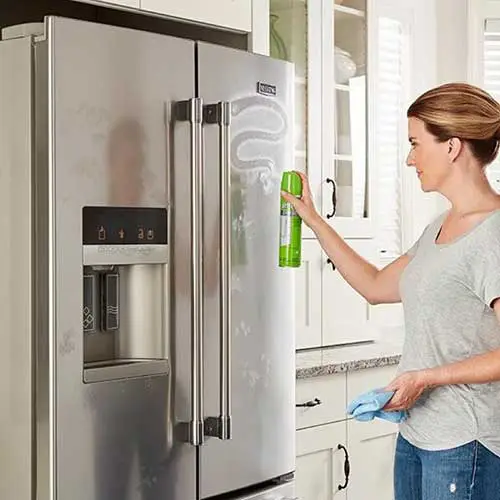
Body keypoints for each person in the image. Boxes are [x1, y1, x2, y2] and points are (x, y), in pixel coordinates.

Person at [281, 82, 500, 500]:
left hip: (467, 443)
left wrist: (427, 378)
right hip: (418, 435)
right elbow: (376, 286)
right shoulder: (439, 226)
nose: (409, 158)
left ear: (452, 147)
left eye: (416, 144)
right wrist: (313, 219)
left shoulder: (495, 234)